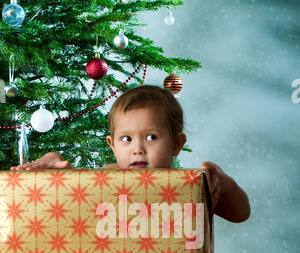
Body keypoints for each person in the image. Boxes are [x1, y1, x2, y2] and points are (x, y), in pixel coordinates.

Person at [11, 85, 250, 223]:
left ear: (176, 144)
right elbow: (75, 200)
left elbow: (240, 214)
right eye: (126, 139)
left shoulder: (186, 186)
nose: (138, 149)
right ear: (112, 145)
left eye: (151, 137)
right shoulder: (108, 178)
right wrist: (54, 165)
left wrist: (223, 183)